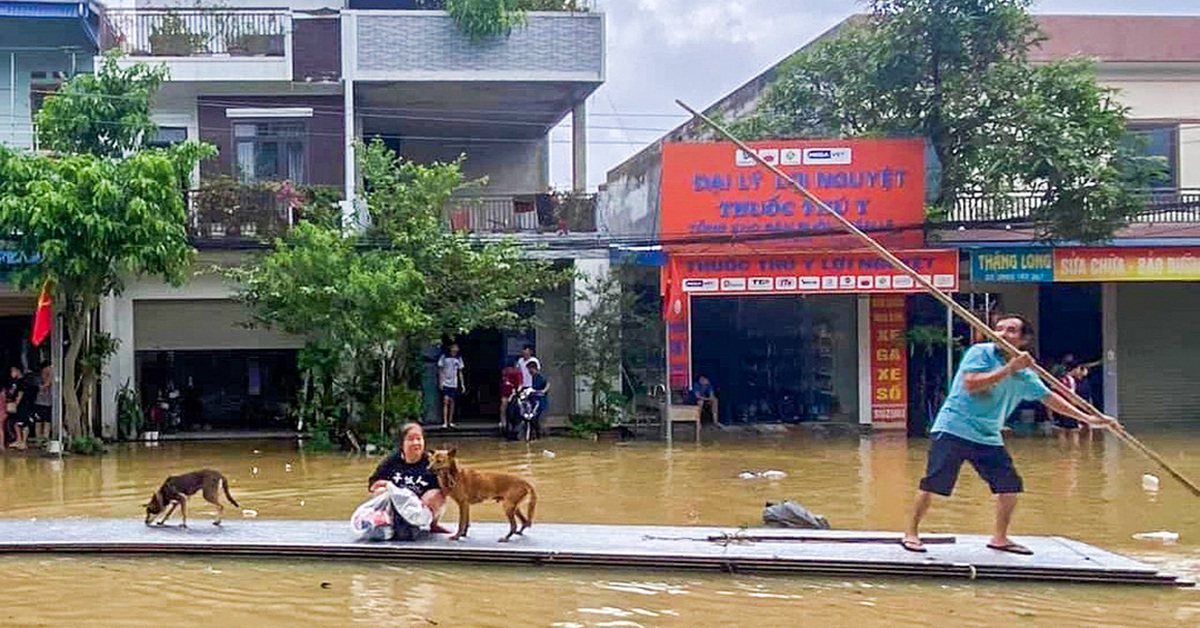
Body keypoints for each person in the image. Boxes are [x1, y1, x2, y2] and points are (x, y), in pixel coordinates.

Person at [901, 315, 1120, 555]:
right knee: (934, 483)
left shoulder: (1026, 374)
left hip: (987, 435)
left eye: (1012, 331)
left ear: (1024, 339)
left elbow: (1048, 397)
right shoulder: (981, 353)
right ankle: (911, 533)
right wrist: (1009, 369)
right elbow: (972, 384)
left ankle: (1000, 538)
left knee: (1010, 486)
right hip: (954, 427)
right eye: (999, 329)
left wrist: (1087, 418)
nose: (1003, 334)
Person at [367, 422, 449, 534]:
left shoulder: (431, 463)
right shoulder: (392, 461)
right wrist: (387, 486)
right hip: (396, 505)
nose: (416, 443)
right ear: (402, 443)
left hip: (419, 507)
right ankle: (388, 523)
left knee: (437, 494)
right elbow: (373, 484)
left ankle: (432, 524)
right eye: (411, 439)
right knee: (380, 491)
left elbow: (445, 490)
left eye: (419, 439)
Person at [437, 344, 465, 428]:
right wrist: (441, 382)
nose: (456, 349)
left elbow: (460, 372)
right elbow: (440, 370)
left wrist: (462, 384)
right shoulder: (444, 357)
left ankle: (450, 421)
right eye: (454, 347)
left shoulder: (458, 358)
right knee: (446, 401)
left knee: (452, 401)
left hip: (454, 382)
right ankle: (445, 422)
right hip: (445, 381)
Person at [526, 358, 549, 439]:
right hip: (533, 402)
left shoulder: (539, 377)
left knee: (538, 420)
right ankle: (535, 436)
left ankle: (540, 436)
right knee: (533, 420)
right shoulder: (532, 377)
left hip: (539, 402)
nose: (529, 371)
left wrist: (543, 391)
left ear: (533, 368)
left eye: (529, 369)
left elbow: (547, 384)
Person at [499, 360, 523, 429]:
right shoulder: (505, 373)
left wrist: (517, 391)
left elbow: (520, 384)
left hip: (515, 393)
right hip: (506, 394)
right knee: (503, 407)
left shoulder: (517, 373)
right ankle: (503, 423)